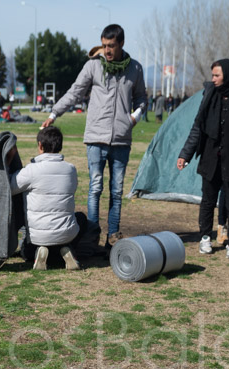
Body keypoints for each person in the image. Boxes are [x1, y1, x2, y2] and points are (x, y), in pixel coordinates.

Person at [43, 24, 148, 248]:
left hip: (121, 139)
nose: (107, 50)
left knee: (117, 191)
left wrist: (133, 118)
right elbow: (75, 91)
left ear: (121, 43)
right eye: (104, 45)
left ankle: (113, 236)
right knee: (95, 188)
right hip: (95, 138)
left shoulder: (135, 69)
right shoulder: (93, 66)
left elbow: (141, 99)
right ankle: (91, 237)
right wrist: (54, 113)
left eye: (111, 46)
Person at [176, 59, 229, 260]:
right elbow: (198, 126)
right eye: (212, 75)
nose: (213, 79)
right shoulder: (210, 93)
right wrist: (185, 154)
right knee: (208, 200)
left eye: (217, 76)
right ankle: (205, 237)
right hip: (210, 157)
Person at [7, 125, 83, 271]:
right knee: (82, 219)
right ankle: (64, 249)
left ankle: (41, 252)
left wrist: (9, 159)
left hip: (38, 236)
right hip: (66, 234)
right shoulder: (71, 169)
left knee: (26, 250)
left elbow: (8, 187)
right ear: (60, 146)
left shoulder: (31, 170)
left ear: (40, 145)